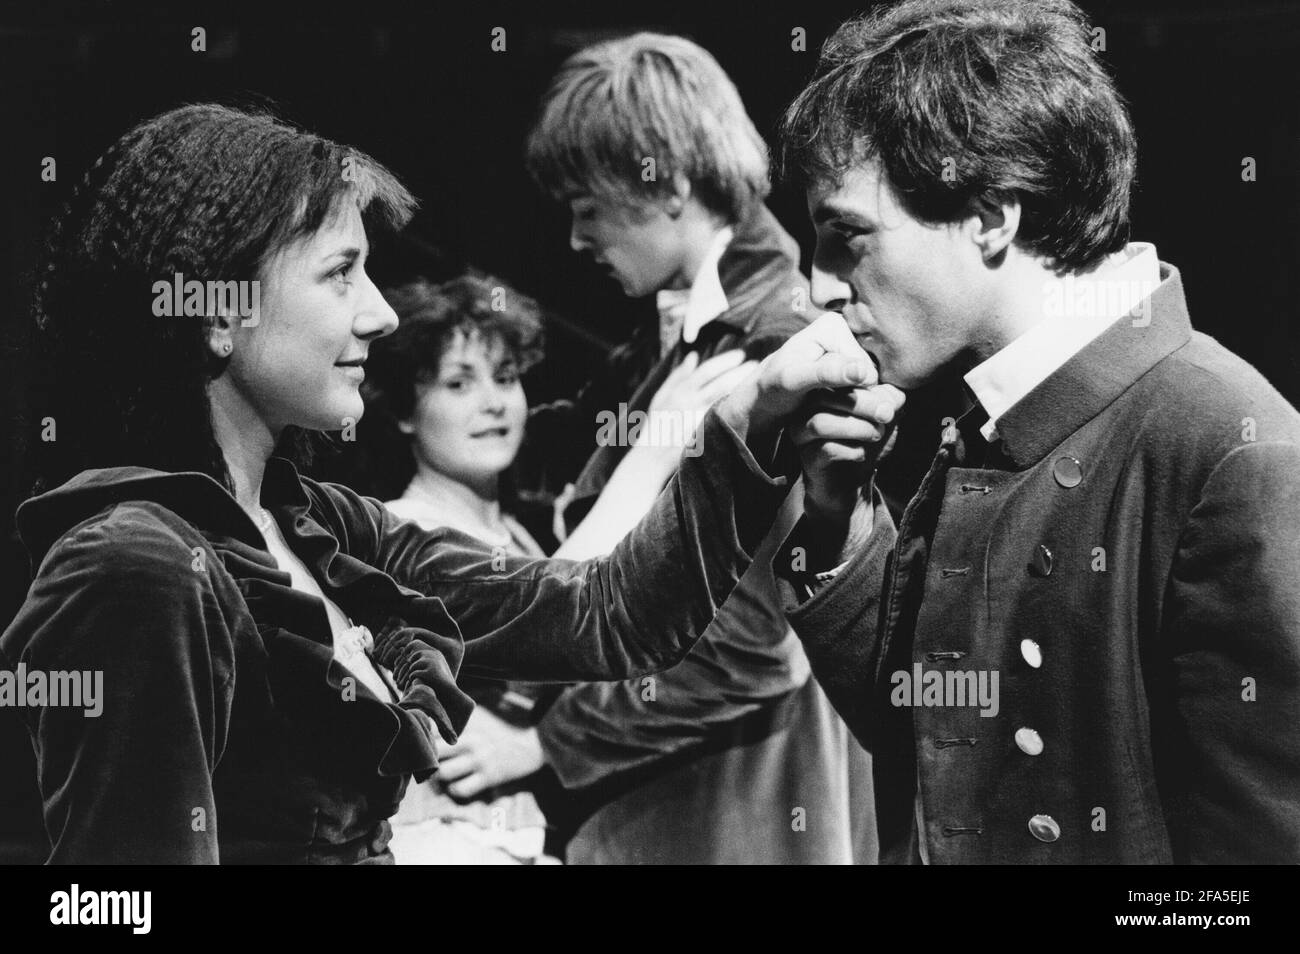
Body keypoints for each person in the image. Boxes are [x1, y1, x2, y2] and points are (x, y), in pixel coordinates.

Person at [0, 102, 871, 864]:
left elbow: (608, 615)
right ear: (219, 312)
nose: (380, 313)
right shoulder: (136, 563)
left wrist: (752, 414)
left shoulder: (330, 531)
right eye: (341, 272)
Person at [767, 0, 1300, 863]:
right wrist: (837, 515)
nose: (817, 286)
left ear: (990, 216)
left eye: (845, 236)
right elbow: (935, 732)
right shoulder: (991, 420)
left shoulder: (1230, 450)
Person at [468, 32, 875, 864]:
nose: (578, 242)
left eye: (588, 209)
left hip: (737, 805)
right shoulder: (686, 335)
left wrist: (544, 746)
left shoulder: (776, 346)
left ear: (671, 181)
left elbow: (749, 647)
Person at [359, 273, 558, 863]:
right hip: (441, 838)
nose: (493, 402)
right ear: (404, 412)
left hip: (516, 836)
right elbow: (553, 612)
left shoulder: (522, 535)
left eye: (505, 378)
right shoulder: (401, 531)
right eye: (458, 383)